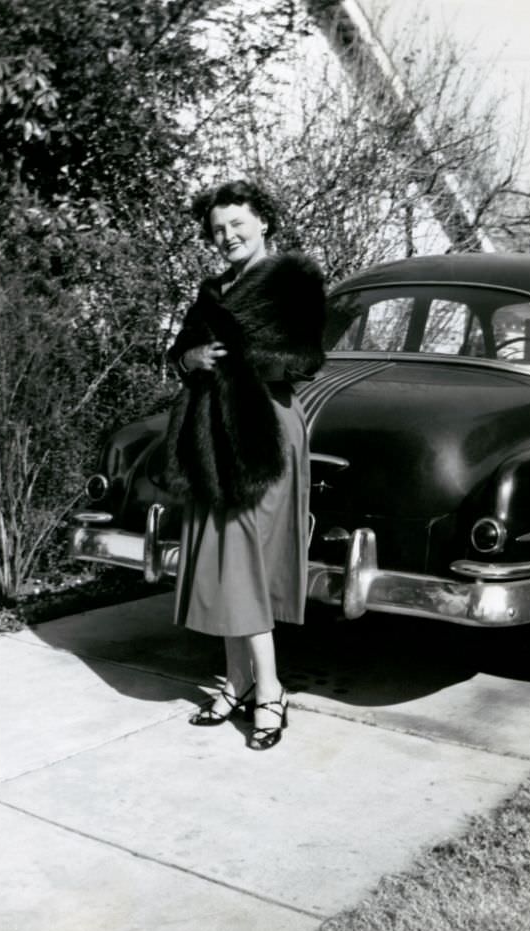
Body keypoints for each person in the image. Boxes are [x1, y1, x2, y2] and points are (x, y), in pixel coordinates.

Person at [165, 180, 326, 750]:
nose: (227, 236)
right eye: (217, 230)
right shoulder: (211, 291)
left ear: (264, 221)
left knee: (245, 560)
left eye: (237, 224)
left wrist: (236, 361)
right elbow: (177, 354)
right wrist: (193, 356)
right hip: (211, 436)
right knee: (223, 558)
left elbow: (305, 359)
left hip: (263, 433)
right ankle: (236, 683)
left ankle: (271, 692)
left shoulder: (292, 281)